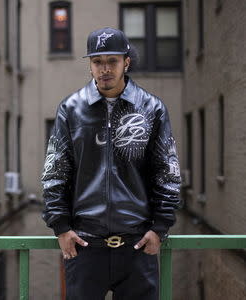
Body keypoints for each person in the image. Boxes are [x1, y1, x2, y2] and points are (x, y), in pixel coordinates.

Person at [41, 27, 182, 300]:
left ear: (126, 62)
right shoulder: (71, 109)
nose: (104, 69)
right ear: (90, 65)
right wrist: (60, 226)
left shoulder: (151, 108)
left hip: (137, 248)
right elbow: (55, 170)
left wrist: (159, 228)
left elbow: (167, 171)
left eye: (112, 61)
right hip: (84, 247)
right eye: (97, 62)